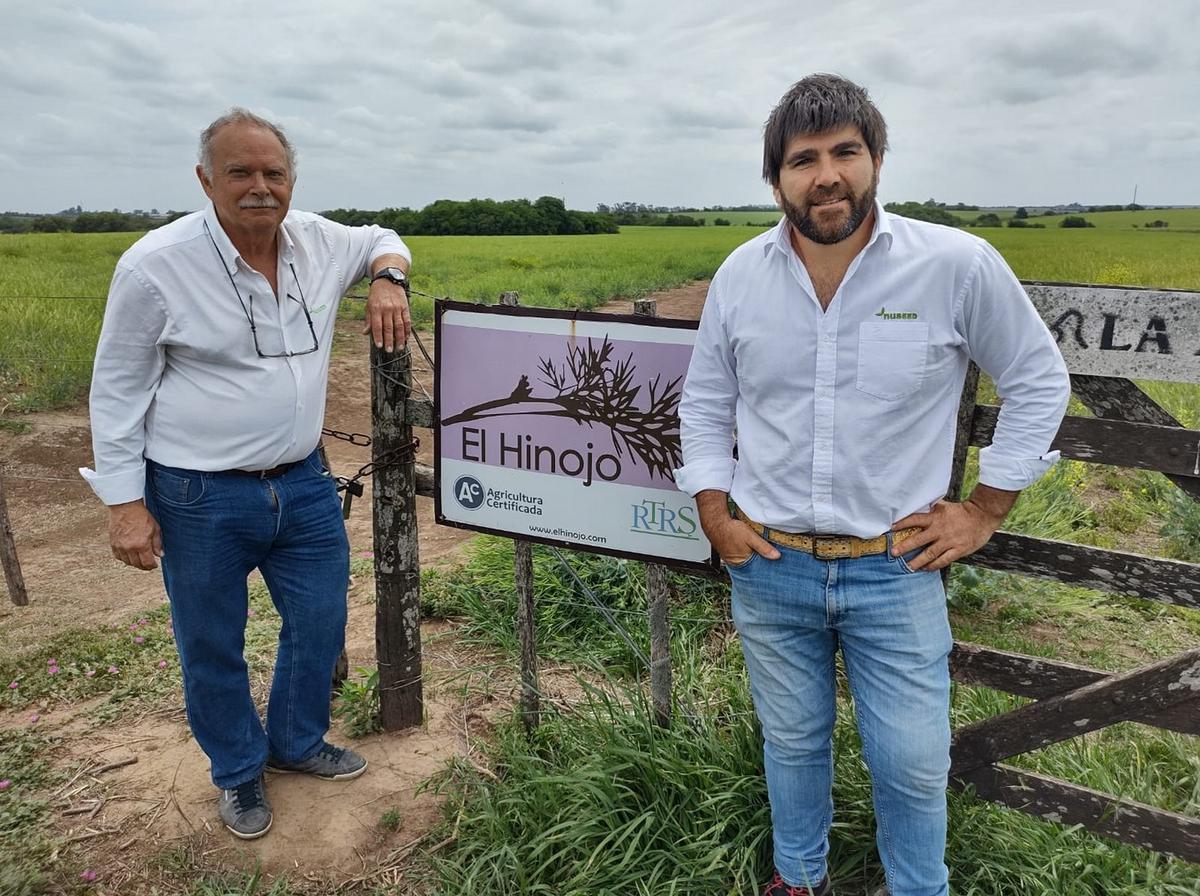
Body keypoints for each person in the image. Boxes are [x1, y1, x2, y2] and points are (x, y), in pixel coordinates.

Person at [676, 75, 1069, 896]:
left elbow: (1037, 378)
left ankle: (918, 888)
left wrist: (987, 508)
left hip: (896, 567)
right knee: (791, 743)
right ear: (775, 180)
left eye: (845, 152)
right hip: (771, 564)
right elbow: (707, 400)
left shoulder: (953, 265)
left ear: (877, 161)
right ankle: (799, 877)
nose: (827, 175)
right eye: (803, 159)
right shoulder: (742, 276)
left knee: (914, 764)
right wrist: (714, 510)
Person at [81, 108, 412, 840]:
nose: (260, 187)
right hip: (198, 494)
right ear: (206, 179)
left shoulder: (321, 243)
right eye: (241, 172)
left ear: (291, 181)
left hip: (302, 482)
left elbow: (386, 239)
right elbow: (117, 390)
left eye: (274, 173)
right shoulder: (154, 265)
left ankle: (295, 743)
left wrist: (388, 280)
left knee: (321, 620)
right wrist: (124, 505)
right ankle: (236, 773)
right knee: (210, 641)